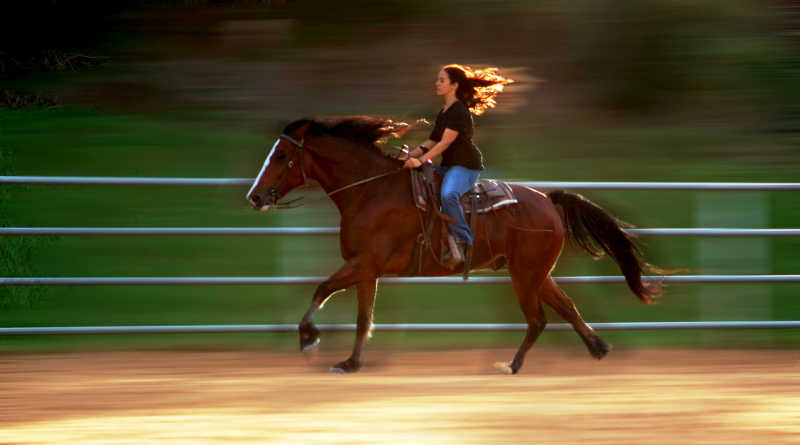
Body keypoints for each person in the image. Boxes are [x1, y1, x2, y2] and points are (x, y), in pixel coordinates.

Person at [403, 64, 513, 269]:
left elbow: (445, 143)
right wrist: (409, 156)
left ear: (454, 85)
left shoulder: (459, 111)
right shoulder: (444, 112)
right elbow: (431, 141)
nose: (437, 83)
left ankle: (463, 240)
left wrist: (420, 161)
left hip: (465, 167)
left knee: (448, 195)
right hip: (448, 166)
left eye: (441, 80)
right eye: (438, 80)